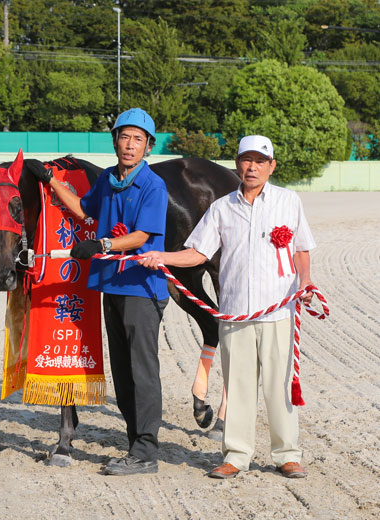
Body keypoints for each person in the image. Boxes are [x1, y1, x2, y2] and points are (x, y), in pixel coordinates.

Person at [139, 135, 316, 479]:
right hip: (234, 312)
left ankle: (287, 454)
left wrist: (306, 281)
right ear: (237, 164)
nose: (252, 167)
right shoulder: (221, 208)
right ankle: (236, 454)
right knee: (238, 385)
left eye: (260, 161)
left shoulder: (288, 202)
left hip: (278, 310)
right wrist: (162, 256)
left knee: (279, 386)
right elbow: (198, 253)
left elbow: (301, 248)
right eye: (246, 160)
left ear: (271, 166)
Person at [31, 108, 169, 475]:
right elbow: (82, 209)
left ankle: (145, 454)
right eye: (124, 137)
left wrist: (103, 244)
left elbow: (142, 236)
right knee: (122, 372)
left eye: (138, 139)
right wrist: (50, 179)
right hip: (113, 284)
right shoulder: (108, 179)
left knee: (142, 371)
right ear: (115, 142)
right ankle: (135, 446)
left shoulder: (153, 185)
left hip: (142, 287)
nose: (130, 144)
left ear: (148, 147)